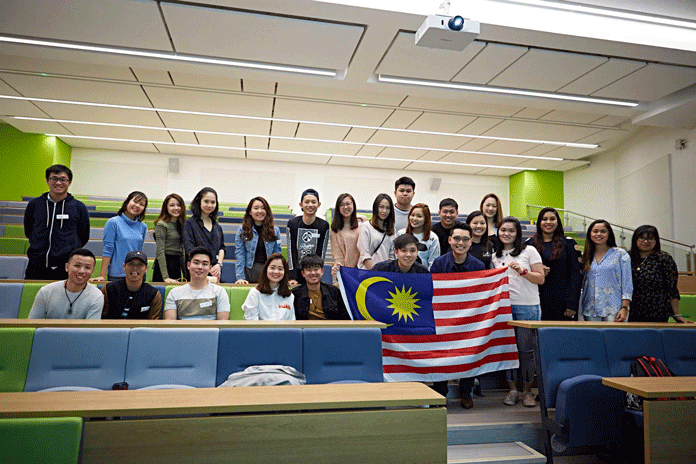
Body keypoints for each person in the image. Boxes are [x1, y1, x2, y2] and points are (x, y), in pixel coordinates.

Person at [430, 223, 485, 408]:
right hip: (444, 319)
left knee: (469, 354)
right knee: (441, 356)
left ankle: (466, 392)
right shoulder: (439, 264)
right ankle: (439, 393)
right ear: (450, 240)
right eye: (457, 239)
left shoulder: (479, 265)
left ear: (471, 242)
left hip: (469, 320)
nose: (460, 243)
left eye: (465, 239)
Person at [492, 217, 545, 408]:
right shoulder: (495, 255)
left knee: (526, 352)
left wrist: (523, 271)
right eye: (503, 230)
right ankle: (513, 390)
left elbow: (540, 279)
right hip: (504, 308)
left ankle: (528, 392)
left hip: (527, 307)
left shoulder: (529, 250)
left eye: (511, 230)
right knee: (508, 351)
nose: (506, 234)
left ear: (518, 233)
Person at [23, 165, 90, 280]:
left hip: (66, 267)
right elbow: (28, 231)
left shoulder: (79, 207)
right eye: (54, 179)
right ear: (47, 181)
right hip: (36, 265)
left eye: (63, 179)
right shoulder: (34, 204)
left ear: (69, 182)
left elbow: (83, 236)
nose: (58, 183)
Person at [526, 208, 582, 321]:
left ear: (558, 222)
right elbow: (523, 270)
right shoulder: (529, 244)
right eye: (544, 219)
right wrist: (537, 269)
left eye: (552, 219)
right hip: (537, 301)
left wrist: (572, 304)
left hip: (563, 302)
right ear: (539, 222)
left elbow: (576, 275)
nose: (548, 222)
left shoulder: (569, 243)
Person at [629, 225, 687, 323]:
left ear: (656, 241)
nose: (646, 241)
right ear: (635, 239)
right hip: (631, 310)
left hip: (657, 311)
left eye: (651, 238)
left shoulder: (664, 259)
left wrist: (676, 314)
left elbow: (672, 289)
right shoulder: (626, 257)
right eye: (642, 238)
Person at [580, 219, 632, 322]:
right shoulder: (585, 256)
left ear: (609, 234)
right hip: (590, 308)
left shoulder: (620, 254)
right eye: (595, 231)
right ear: (590, 234)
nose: (599, 234)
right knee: (594, 338)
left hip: (614, 309)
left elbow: (627, 282)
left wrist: (625, 307)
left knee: (614, 338)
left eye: (603, 231)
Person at [28, 248, 103, 319]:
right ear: (67, 267)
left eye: (87, 267)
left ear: (92, 271)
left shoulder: (97, 296)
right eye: (77, 266)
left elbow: (91, 330)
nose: (82, 271)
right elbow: (32, 323)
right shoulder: (46, 291)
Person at [94, 191, 148, 281]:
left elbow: (140, 251)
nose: (137, 206)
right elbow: (108, 250)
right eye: (135, 201)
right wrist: (102, 275)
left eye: (141, 204)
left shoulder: (143, 226)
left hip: (137, 274)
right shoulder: (113, 222)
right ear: (127, 202)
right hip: (117, 274)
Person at [164, 247, 230, 320]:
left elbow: (222, 323)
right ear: (188, 265)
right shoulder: (174, 293)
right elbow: (170, 325)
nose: (200, 267)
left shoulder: (219, 292)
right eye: (196, 263)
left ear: (210, 268)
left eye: (204, 264)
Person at [286, 188, 330, 284]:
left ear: (319, 205)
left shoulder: (324, 225)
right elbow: (291, 251)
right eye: (307, 202)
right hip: (296, 273)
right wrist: (292, 277)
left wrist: (316, 274)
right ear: (301, 204)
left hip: (313, 273)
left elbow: (321, 253)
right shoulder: (292, 223)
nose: (310, 205)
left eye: (313, 202)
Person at [234, 196, 282, 284]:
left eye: (263, 208)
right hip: (249, 271)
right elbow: (240, 254)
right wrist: (240, 277)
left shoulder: (275, 231)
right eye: (256, 208)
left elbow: (277, 254)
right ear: (250, 211)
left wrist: (276, 275)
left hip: (268, 272)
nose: (260, 211)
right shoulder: (242, 230)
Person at [101, 250, 162, 319]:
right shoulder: (109, 289)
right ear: (124, 266)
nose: (135, 268)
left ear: (146, 269)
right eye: (131, 264)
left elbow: (153, 323)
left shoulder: (153, 294)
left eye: (140, 265)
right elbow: (101, 317)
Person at [183, 187, 225, 283]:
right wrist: (206, 266)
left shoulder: (217, 226)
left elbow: (222, 248)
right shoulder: (189, 223)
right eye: (206, 201)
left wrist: (218, 265)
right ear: (199, 202)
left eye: (213, 202)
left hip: (214, 271)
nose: (209, 205)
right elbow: (189, 249)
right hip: (197, 270)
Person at [293, 254, 349, 320]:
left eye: (316, 269)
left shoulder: (334, 292)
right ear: (303, 273)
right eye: (309, 270)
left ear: (322, 272)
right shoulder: (295, 294)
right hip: (305, 328)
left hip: (329, 328)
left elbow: (344, 316)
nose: (313, 273)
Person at [242, 253, 295, 320]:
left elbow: (292, 323)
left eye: (280, 269)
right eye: (272, 268)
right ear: (266, 269)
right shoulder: (255, 293)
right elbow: (251, 322)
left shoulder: (290, 296)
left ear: (285, 272)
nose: (276, 272)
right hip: (260, 330)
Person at [152, 193, 186, 283]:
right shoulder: (161, 224)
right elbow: (160, 251)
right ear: (166, 207)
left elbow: (182, 251)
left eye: (179, 205)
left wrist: (186, 275)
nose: (176, 208)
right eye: (172, 205)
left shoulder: (181, 225)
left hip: (176, 264)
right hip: (164, 265)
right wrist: (165, 277)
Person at [357, 193, 396, 270]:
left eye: (388, 208)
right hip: (367, 272)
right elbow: (365, 254)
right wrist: (374, 274)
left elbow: (392, 257)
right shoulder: (366, 227)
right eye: (381, 207)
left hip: (385, 274)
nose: (384, 211)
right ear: (376, 208)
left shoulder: (391, 230)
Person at [398, 203, 440, 269]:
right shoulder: (401, 233)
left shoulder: (433, 237)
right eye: (412, 215)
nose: (414, 218)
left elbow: (433, 262)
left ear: (426, 219)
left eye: (419, 216)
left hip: (422, 276)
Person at [330, 193, 361, 278]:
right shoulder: (335, 230)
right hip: (347, 272)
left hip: (363, 270)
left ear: (353, 205)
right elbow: (337, 255)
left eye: (348, 204)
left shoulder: (362, 223)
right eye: (342, 205)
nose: (345, 207)